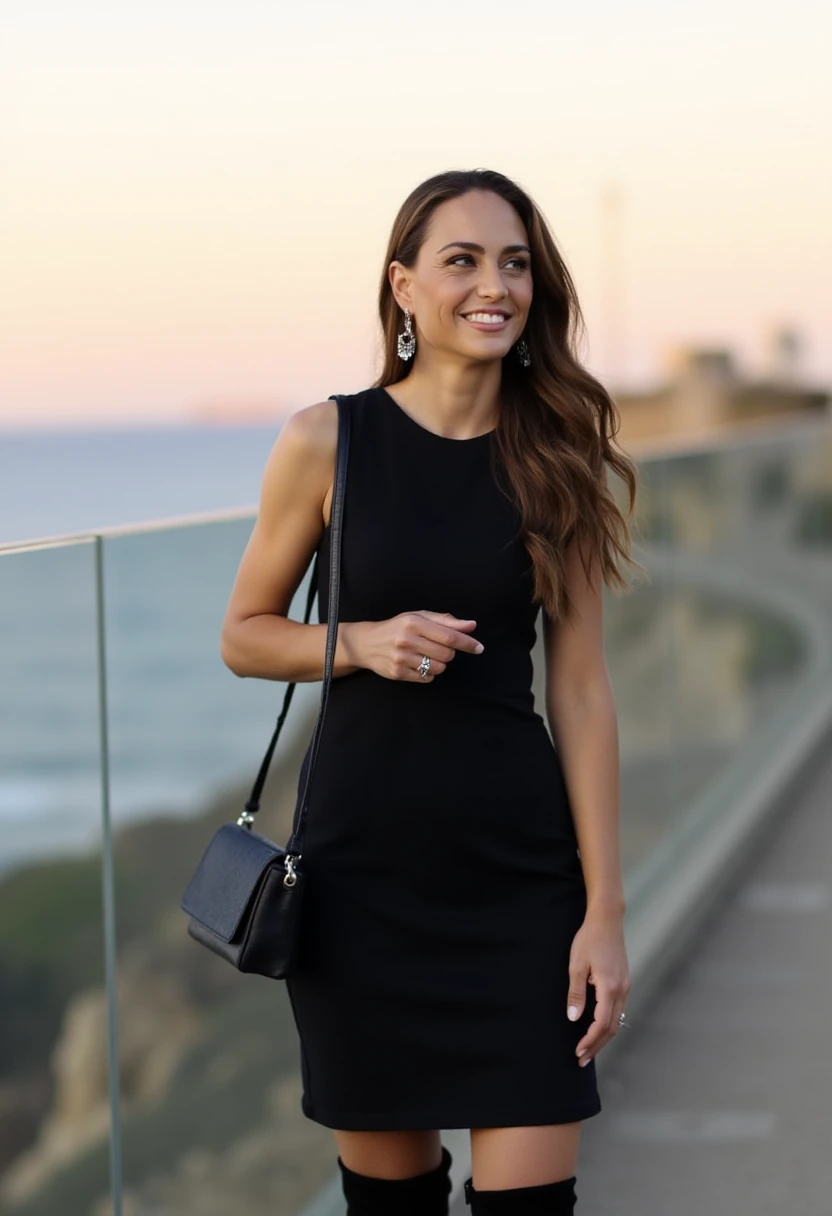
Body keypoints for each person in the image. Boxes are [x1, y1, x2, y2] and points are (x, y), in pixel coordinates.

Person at [220, 168, 641, 1215]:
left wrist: (603, 909)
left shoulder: (557, 456)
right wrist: (358, 640)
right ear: (404, 287)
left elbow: (582, 695)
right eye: (462, 260)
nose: (493, 284)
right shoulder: (328, 440)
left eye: (514, 262)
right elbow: (243, 634)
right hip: (361, 884)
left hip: (519, 882)